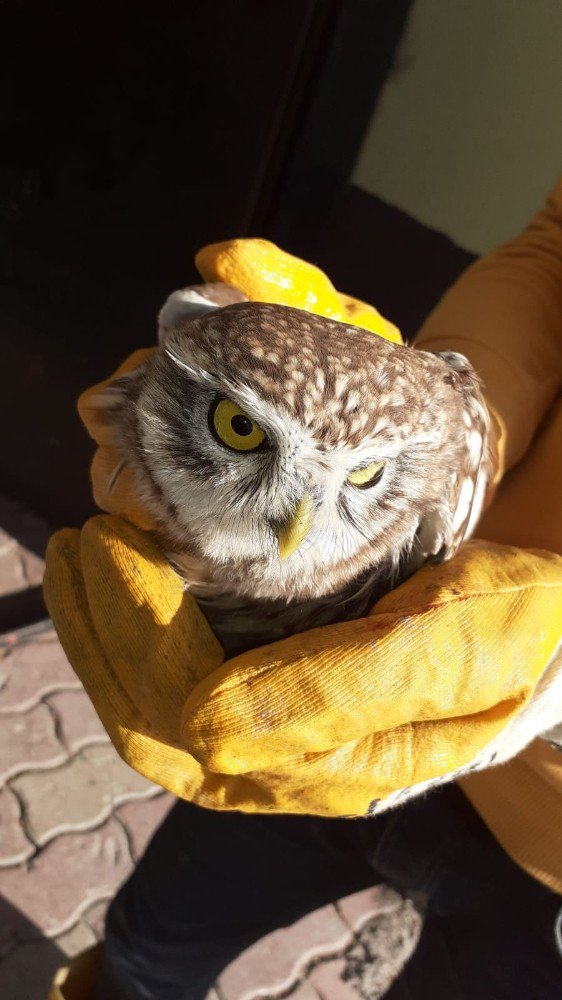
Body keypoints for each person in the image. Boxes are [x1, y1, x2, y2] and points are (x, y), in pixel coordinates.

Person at [50, 180, 562, 999]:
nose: (295, 523)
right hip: (334, 687)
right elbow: (557, 251)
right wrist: (450, 421)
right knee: (149, 947)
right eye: (240, 429)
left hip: (548, 860)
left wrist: (545, 682)